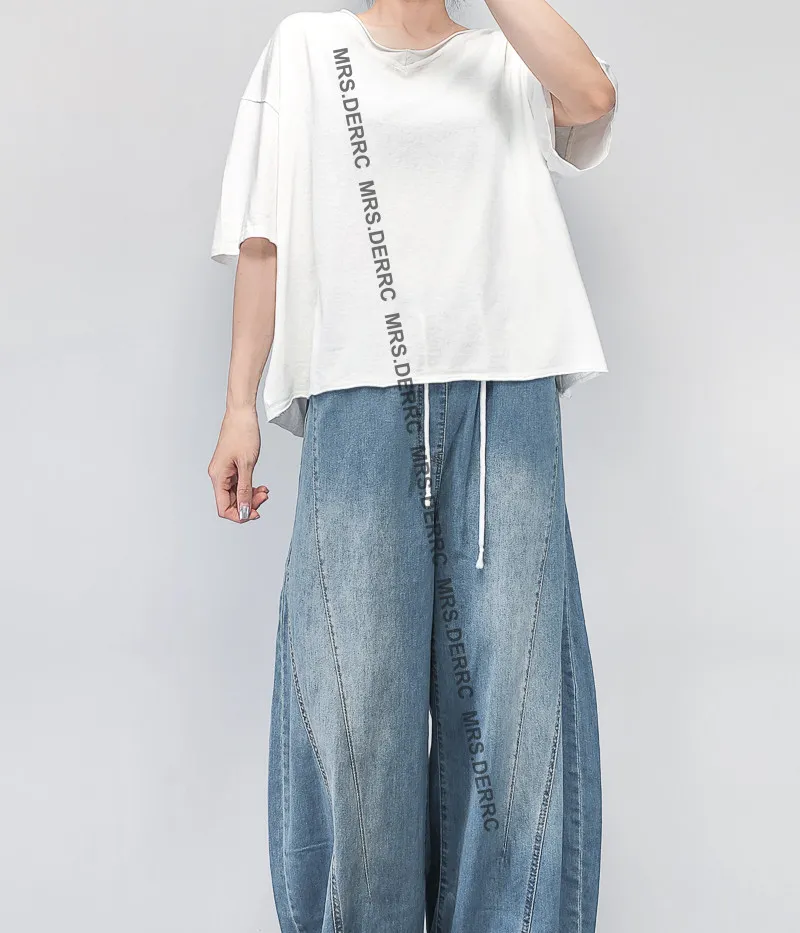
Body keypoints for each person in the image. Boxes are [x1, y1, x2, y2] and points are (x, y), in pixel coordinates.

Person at [207, 1, 617, 930]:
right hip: (356, 398)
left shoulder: (505, 59)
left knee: (514, 714)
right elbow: (263, 237)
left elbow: (591, 99)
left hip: (503, 397)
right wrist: (239, 406)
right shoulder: (307, 47)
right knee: (356, 707)